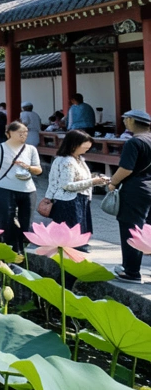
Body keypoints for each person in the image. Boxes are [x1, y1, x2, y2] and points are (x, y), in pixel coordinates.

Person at [0, 121, 42, 253]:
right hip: (5, 189)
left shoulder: (31, 149)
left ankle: (20, 251)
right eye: (20, 132)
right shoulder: (0, 148)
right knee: (6, 221)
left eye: (26, 132)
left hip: (28, 190)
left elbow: (38, 170)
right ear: (9, 133)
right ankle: (9, 251)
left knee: (26, 223)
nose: (24, 135)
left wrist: (28, 167)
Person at [108, 109, 151, 282]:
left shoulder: (134, 142)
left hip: (135, 190)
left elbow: (126, 168)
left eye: (126, 119)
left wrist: (113, 183)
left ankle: (131, 271)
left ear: (132, 120)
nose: (125, 122)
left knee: (132, 229)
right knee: (149, 230)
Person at [44, 130, 104, 243]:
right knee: (72, 236)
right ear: (74, 145)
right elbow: (67, 185)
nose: (86, 150)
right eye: (84, 147)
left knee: (78, 235)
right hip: (70, 202)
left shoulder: (78, 158)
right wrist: (93, 182)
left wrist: (96, 180)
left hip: (78, 200)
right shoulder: (67, 161)